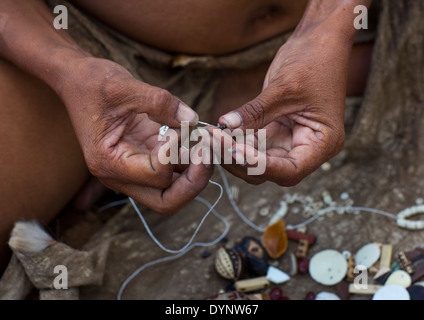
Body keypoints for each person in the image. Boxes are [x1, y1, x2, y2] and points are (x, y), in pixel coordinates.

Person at [0, 0, 373, 271]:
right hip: (78, 35)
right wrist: (69, 69)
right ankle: (223, 90)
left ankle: (235, 86)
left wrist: (328, 27)